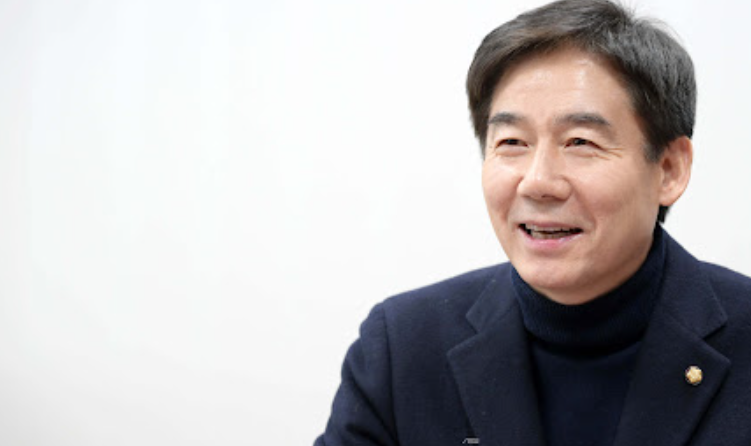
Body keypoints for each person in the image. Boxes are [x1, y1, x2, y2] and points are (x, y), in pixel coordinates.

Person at [314, 0, 751, 445]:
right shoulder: (402, 348)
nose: (538, 182)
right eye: (512, 142)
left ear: (669, 169)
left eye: (580, 142)